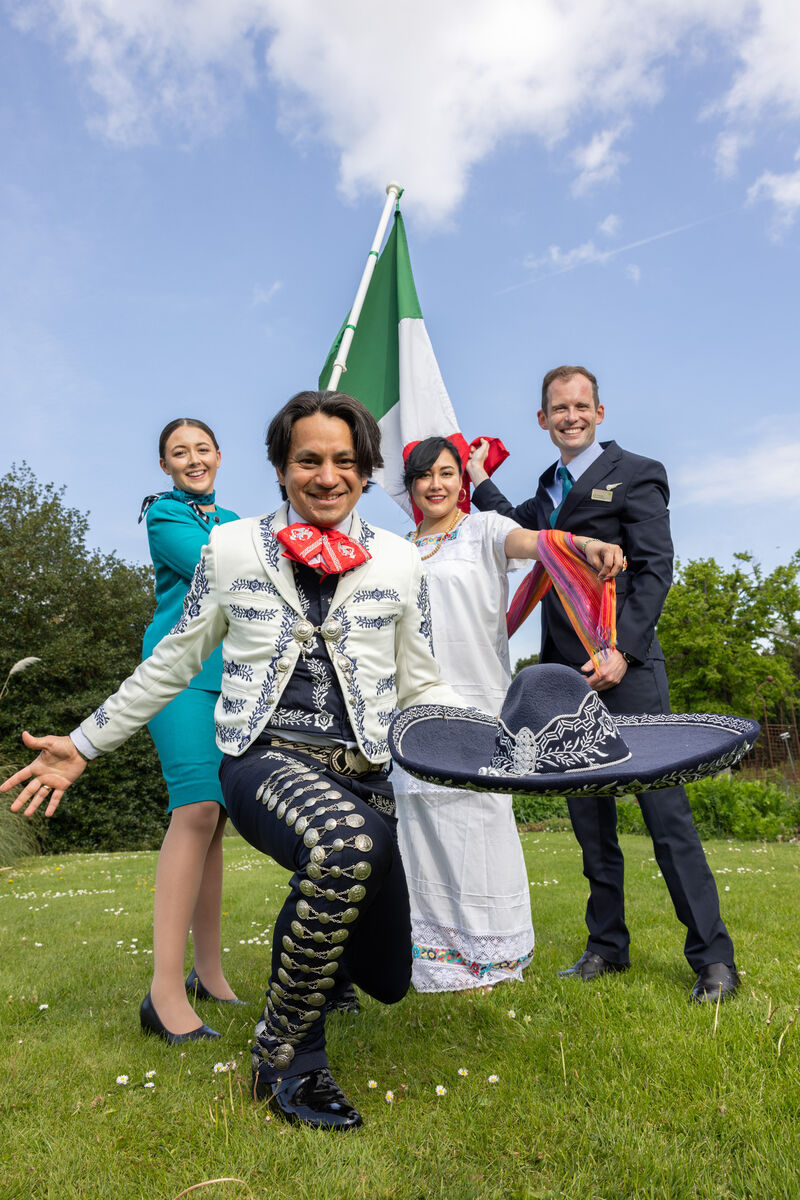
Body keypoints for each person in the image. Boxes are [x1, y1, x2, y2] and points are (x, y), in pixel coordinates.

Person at [2, 390, 469, 1131]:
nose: (326, 476)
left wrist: (487, 737)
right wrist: (84, 742)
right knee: (345, 847)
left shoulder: (399, 559)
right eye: (307, 460)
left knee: (388, 976)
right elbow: (170, 663)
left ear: (366, 469)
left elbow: (422, 677)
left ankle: (333, 964)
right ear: (282, 468)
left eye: (344, 461)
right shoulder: (230, 549)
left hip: (367, 773)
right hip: (263, 760)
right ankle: (287, 1059)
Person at [467, 364, 739, 1003]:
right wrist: (478, 481)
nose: (570, 416)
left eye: (581, 406)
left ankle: (713, 960)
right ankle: (606, 947)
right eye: (558, 408)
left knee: (666, 815)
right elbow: (521, 533)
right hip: (564, 679)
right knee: (590, 822)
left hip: (628, 672)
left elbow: (655, 568)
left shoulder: (637, 472)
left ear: (600, 411)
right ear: (542, 419)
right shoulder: (546, 487)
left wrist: (623, 648)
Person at [395, 436, 623, 993]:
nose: (436, 484)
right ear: (411, 487)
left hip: (477, 698)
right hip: (412, 701)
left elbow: (539, 542)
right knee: (420, 824)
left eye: (447, 473)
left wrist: (584, 543)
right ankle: (431, 955)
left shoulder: (483, 530)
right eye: (424, 476)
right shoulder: (395, 549)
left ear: (462, 480)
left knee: (479, 823)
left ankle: (491, 957)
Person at [139, 418, 241, 1043]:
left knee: (218, 820)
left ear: (219, 456)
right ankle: (163, 993)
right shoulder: (165, 517)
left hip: (232, 678)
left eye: (202, 449)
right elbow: (215, 566)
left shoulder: (232, 515)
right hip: (177, 673)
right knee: (196, 808)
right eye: (180, 452)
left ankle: (209, 971)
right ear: (165, 465)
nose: (193, 458)